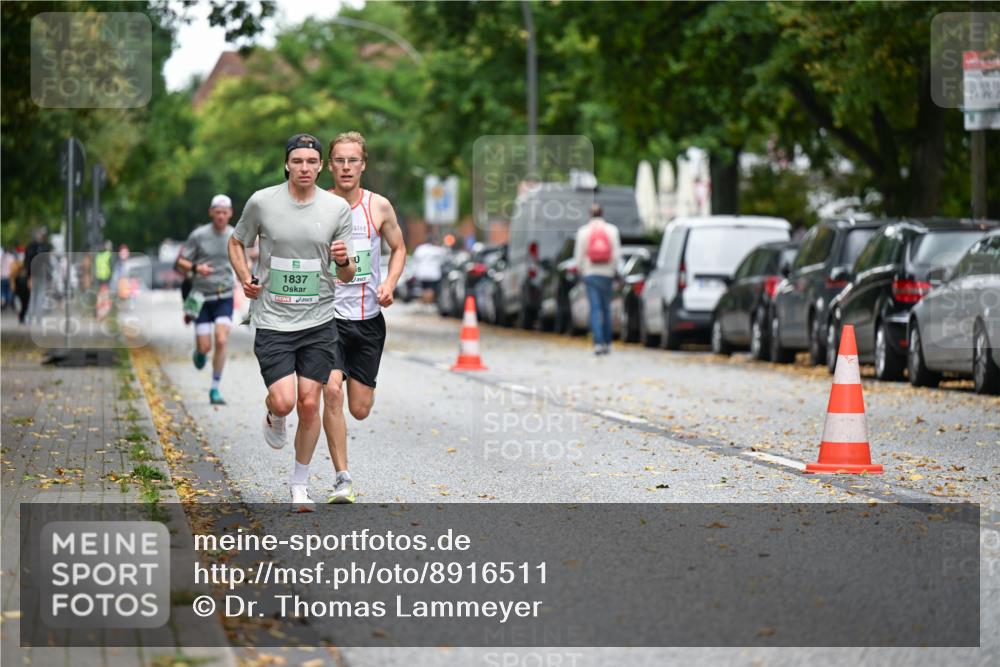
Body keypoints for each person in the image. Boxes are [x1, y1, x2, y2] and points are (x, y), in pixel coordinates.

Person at [228, 133, 355, 512]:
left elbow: (346, 275)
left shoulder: (336, 209)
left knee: (308, 402)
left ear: (321, 166)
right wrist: (244, 277)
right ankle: (273, 414)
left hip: (318, 321)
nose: (304, 168)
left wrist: (344, 260)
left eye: (311, 162)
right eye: (297, 161)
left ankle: (300, 485)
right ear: (287, 164)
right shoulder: (262, 202)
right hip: (273, 319)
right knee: (284, 401)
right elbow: (237, 242)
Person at [321, 131, 406, 504]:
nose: (345, 167)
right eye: (339, 160)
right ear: (329, 164)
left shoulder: (379, 207)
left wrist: (389, 282)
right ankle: (343, 478)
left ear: (363, 164)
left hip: (369, 318)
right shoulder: (317, 206)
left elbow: (400, 247)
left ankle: (358, 387)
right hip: (327, 317)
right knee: (331, 390)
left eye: (352, 160)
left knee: (360, 408)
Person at [176, 195, 237, 405]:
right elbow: (180, 262)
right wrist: (196, 268)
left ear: (230, 213)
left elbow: (243, 261)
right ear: (211, 212)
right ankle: (200, 353)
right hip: (201, 297)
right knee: (205, 347)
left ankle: (214, 388)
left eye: (224, 212)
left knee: (221, 339)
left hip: (224, 296)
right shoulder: (198, 235)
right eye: (217, 212)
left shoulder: (235, 235)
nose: (221, 216)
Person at [574, 203, 621, 355]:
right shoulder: (612, 230)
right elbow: (616, 254)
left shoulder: (583, 231)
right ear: (603, 213)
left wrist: (581, 271)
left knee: (595, 309)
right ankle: (608, 342)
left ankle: (598, 342)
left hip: (591, 273)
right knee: (606, 308)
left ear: (590, 214)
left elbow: (579, 256)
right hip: (607, 274)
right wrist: (614, 271)